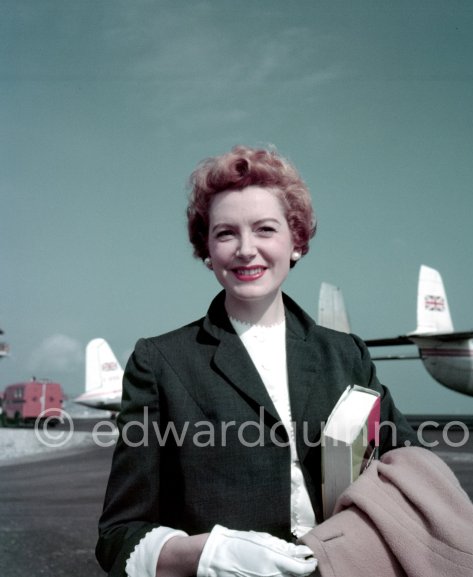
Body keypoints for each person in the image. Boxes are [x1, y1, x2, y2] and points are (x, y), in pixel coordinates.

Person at [96, 145, 420, 577]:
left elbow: (409, 474)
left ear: (297, 241)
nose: (246, 249)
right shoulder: (160, 362)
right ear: (207, 249)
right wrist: (207, 554)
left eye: (265, 229)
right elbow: (119, 535)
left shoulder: (348, 354)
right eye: (226, 233)